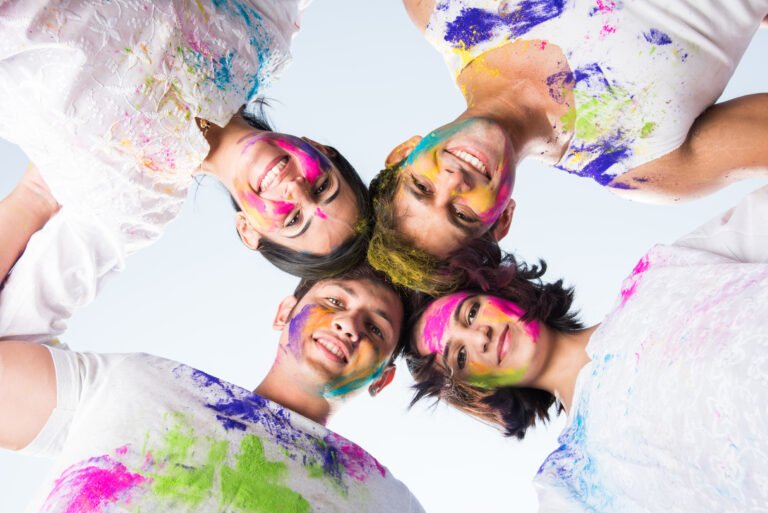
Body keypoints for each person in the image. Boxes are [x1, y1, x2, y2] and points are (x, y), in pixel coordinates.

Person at [0, 0, 371, 338]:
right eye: (322, 187)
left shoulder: (136, 202)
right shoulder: (262, 32)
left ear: (248, 231)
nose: (296, 190)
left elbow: (17, 324)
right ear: (320, 148)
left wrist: (35, 199)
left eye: (293, 220)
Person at [404, 185, 768, 511]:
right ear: (476, 388)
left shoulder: (659, 275)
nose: (480, 336)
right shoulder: (574, 485)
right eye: (460, 356)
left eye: (471, 313)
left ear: (498, 291)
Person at [368, 0, 768, 294]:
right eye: (461, 214)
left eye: (422, 187)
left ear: (403, 153)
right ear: (502, 220)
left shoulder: (437, 9)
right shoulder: (644, 165)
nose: (454, 182)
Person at [0, 258, 425, 512]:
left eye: (375, 328)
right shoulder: (134, 382)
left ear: (382, 379)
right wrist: (40, 198)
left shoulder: (388, 502)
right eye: (334, 301)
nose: (349, 324)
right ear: (284, 313)